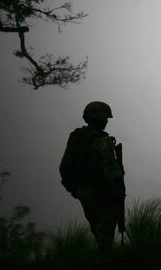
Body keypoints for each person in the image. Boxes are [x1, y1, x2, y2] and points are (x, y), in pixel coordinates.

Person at [59, 101, 125, 256]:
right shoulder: (103, 141)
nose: (107, 121)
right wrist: (119, 194)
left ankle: (102, 258)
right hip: (101, 193)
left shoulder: (76, 137)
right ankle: (105, 260)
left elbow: (64, 167)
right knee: (106, 228)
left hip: (83, 192)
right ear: (100, 119)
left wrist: (75, 190)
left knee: (96, 226)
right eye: (105, 118)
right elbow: (111, 173)